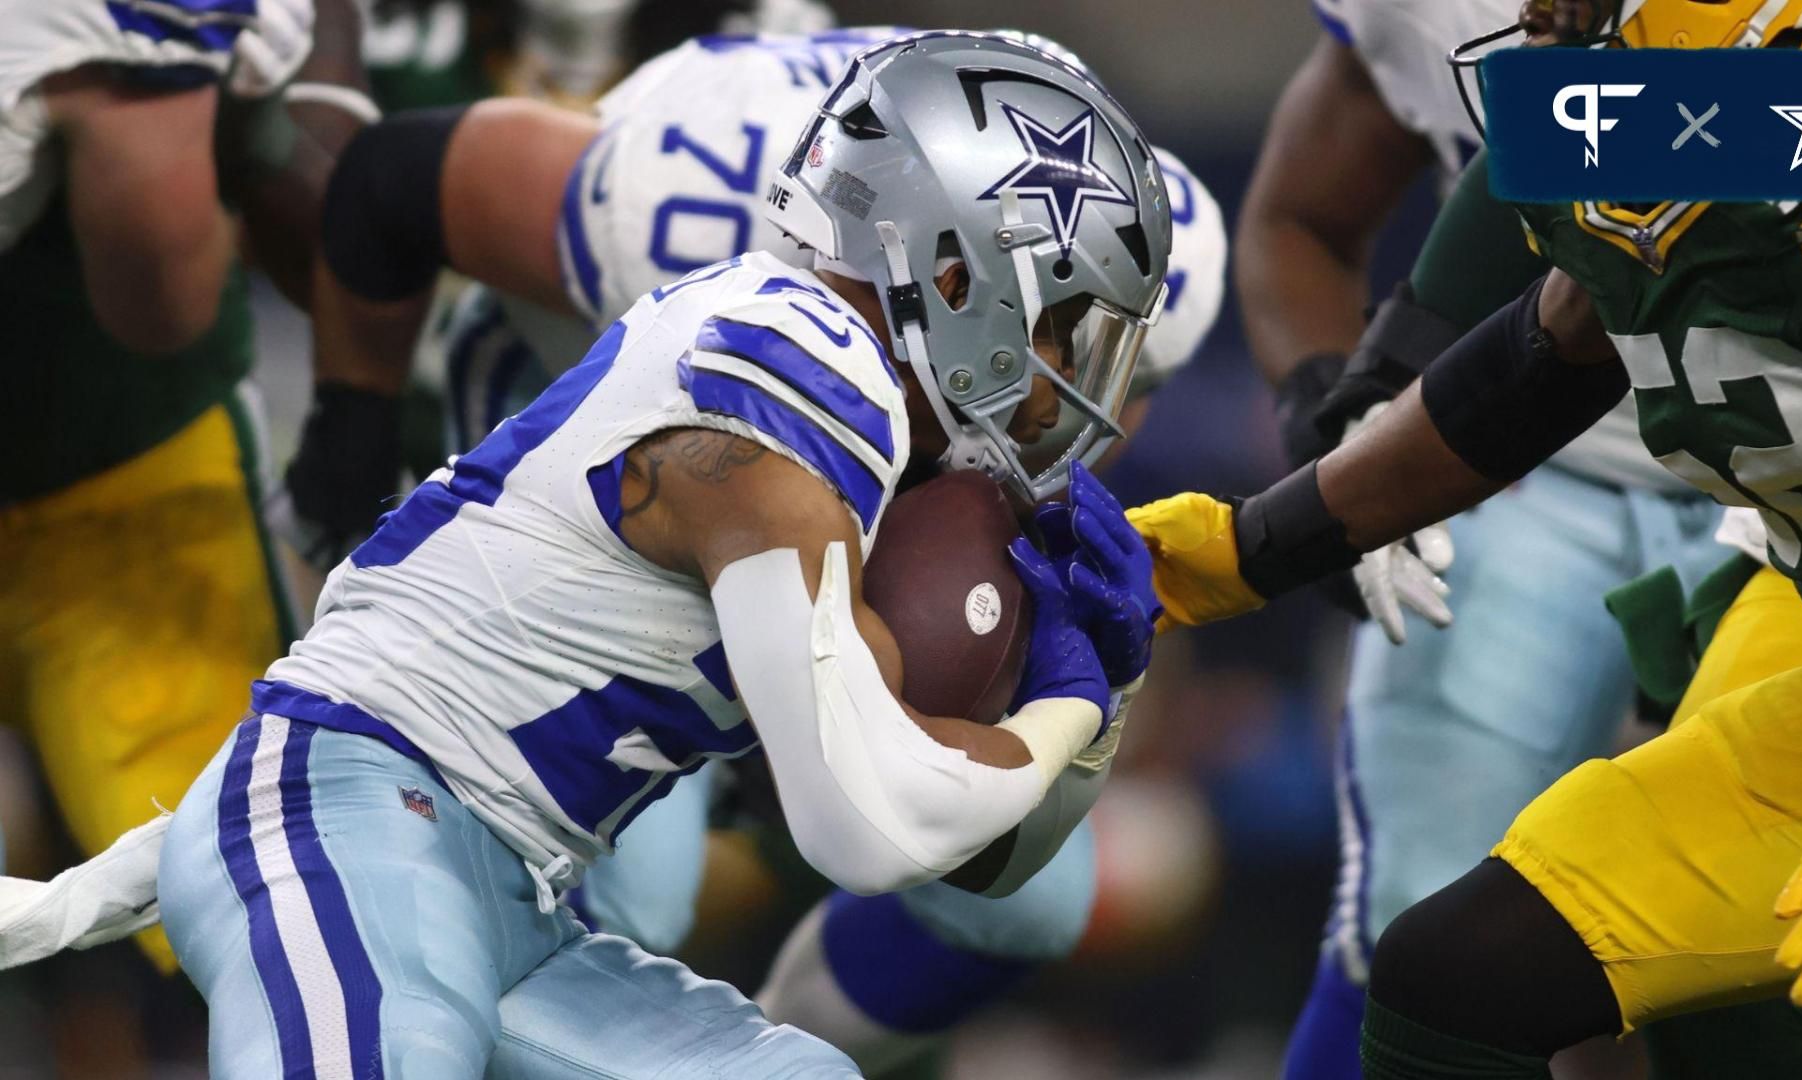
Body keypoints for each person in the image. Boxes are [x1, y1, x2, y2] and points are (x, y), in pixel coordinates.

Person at [156, 32, 1174, 1076]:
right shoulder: (804, 384)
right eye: (1059, 326)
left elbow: (986, 852)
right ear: (957, 280)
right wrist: (1072, 705)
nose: (1059, 382)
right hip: (346, 808)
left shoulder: (851, 417)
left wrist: (1105, 693)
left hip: (503, 893)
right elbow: (873, 823)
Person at [1129, 0, 1802, 1074]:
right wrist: (1257, 547)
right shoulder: (1689, 125)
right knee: (1456, 972)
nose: (1536, 17)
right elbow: (1531, 366)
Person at [1236, 3, 1728, 1075]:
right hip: (1516, 474)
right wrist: (1347, 428)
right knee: (1419, 923)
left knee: (1767, 946)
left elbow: (1593, 126)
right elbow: (1303, 221)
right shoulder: (1461, 31)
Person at [0, 0, 368, 968]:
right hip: (116, 475)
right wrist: (250, 128)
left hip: (116, 473)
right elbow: (162, 304)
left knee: (259, 918)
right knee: (277, 936)